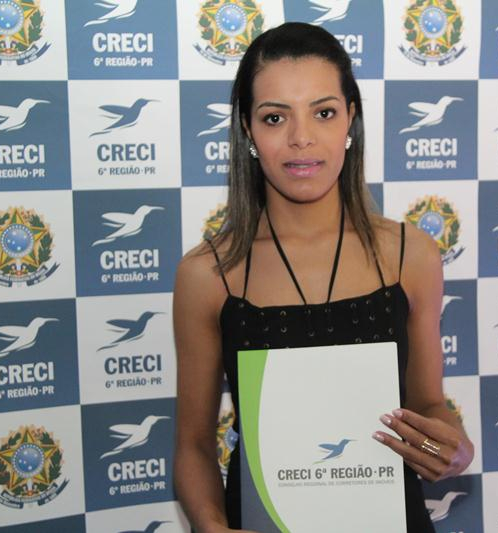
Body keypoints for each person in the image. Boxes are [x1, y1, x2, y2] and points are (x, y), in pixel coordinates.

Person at [173, 22, 474, 532]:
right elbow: (194, 445)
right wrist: (209, 525)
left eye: (324, 112)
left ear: (350, 119)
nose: (301, 138)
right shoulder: (208, 275)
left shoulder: (411, 255)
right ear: (248, 130)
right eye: (275, 117)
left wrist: (451, 447)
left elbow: (427, 404)